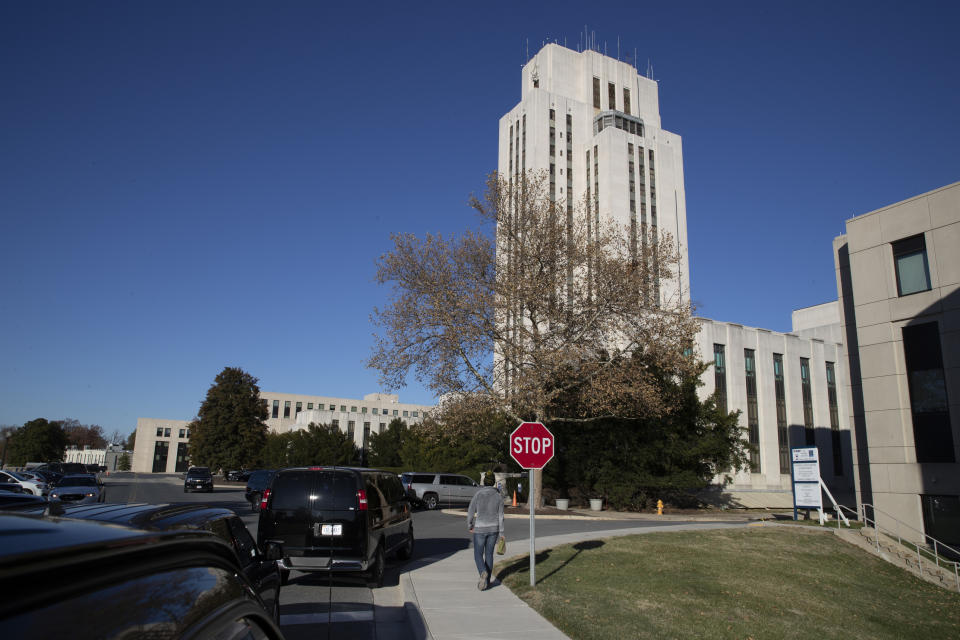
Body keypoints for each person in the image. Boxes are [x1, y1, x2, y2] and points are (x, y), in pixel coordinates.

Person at [467, 482, 505, 591]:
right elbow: (501, 516)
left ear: (484, 482)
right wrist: (502, 533)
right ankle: (487, 582)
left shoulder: (478, 494)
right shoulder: (498, 496)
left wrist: (470, 524)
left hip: (479, 528)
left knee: (478, 555)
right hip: (494, 529)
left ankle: (482, 571)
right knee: (489, 554)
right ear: (493, 482)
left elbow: (471, 510)